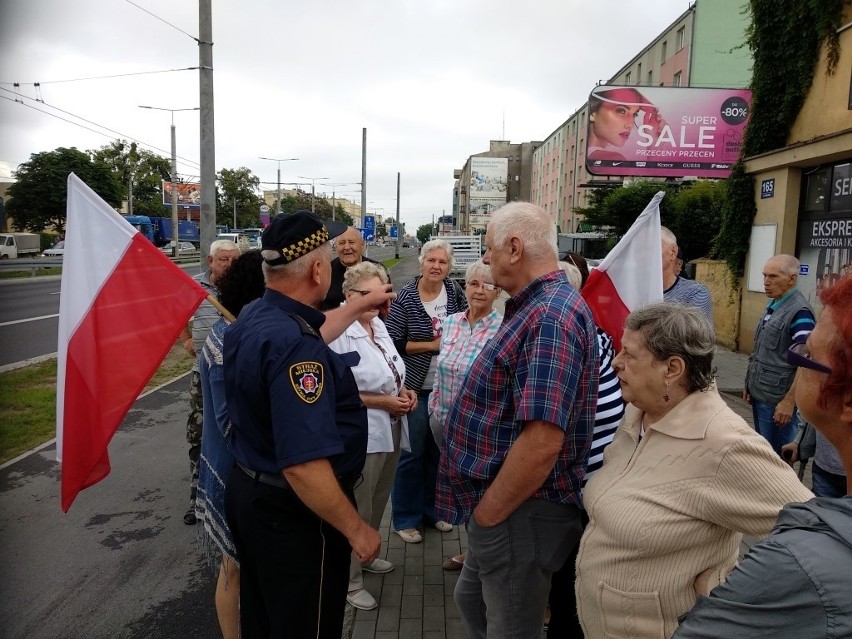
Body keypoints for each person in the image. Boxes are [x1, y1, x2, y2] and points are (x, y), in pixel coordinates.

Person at [575, 302, 813, 639]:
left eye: (628, 354)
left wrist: (736, 594)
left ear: (672, 368)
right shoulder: (637, 415)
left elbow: (815, 533)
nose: (616, 362)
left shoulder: (724, 443)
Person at [223, 211, 395, 638]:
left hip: (254, 495)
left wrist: (356, 305)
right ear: (319, 270)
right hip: (295, 516)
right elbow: (303, 465)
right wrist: (356, 530)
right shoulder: (296, 349)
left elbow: (315, 329)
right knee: (308, 625)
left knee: (265, 618)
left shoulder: (255, 317)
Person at [436, 202, 599, 638]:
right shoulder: (535, 306)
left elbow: (543, 440)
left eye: (488, 250)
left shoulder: (547, 316)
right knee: (470, 599)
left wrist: (489, 514)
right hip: (511, 508)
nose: (485, 261)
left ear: (513, 247)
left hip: (521, 510)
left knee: (511, 627)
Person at [673, 276, 852, 639]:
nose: (765, 281)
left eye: (808, 356)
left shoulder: (795, 562)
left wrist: (720, 598)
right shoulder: (774, 308)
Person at [327, 261, 417, 612]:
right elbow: (334, 392)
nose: (381, 301)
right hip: (360, 436)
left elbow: (393, 370)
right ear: (349, 296)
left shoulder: (377, 324)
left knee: (379, 500)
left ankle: (365, 556)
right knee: (357, 507)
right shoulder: (335, 332)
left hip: (391, 427)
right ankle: (349, 581)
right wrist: (382, 401)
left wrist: (406, 391)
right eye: (371, 294)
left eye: (384, 292)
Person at [546, 254, 625, 638]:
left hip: (582, 484)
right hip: (583, 483)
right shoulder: (593, 336)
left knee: (573, 572)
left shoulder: (581, 339)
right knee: (569, 573)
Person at [195, 249, 265, 639]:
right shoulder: (226, 342)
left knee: (240, 567)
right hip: (230, 471)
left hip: (236, 469)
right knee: (232, 569)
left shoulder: (237, 332)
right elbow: (227, 422)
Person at [385, 239, 467, 543]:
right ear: (421, 262)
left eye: (442, 262)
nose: (436, 266)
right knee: (412, 453)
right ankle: (405, 517)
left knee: (437, 453)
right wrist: (433, 345)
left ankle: (434, 512)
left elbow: (465, 325)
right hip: (415, 387)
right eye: (431, 260)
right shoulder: (406, 296)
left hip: (446, 387)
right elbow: (393, 341)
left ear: (449, 267)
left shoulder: (455, 293)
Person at [428, 260, 503, 572]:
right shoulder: (452, 323)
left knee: (481, 492)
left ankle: (478, 555)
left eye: (487, 285)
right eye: (474, 284)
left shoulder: (503, 329)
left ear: (498, 291)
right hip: (442, 419)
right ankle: (471, 551)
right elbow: (441, 368)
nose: (479, 290)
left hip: (478, 428)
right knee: (458, 487)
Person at [178, 239, 241, 525]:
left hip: (235, 372)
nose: (228, 265)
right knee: (199, 433)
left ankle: (231, 495)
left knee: (234, 431)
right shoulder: (194, 286)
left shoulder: (245, 286)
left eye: (233, 260)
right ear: (210, 261)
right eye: (223, 260)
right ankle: (197, 498)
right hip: (201, 372)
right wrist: (187, 339)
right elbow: (179, 314)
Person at [745, 254, 816, 455]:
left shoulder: (800, 311)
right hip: (762, 394)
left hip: (778, 401)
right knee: (763, 452)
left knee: (776, 459)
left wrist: (789, 401)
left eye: (773, 277)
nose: (766, 282)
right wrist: (749, 383)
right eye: (765, 275)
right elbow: (762, 349)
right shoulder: (775, 304)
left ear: (791, 279)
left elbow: (806, 362)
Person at [587, 86, 664, 161]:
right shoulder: (615, 159)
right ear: (593, 114)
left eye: (634, 114)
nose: (630, 125)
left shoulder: (593, 159)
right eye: (621, 111)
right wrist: (654, 151)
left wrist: (654, 144)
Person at [321, 226, 389, 311]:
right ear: (335, 246)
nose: (347, 247)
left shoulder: (378, 271)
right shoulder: (325, 271)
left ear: (362, 244)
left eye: (351, 242)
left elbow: (386, 307)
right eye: (341, 243)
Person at [661, 226, 713, 328]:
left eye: (652, 246)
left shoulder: (695, 292)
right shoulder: (631, 291)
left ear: (673, 252)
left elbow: (696, 340)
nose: (645, 253)